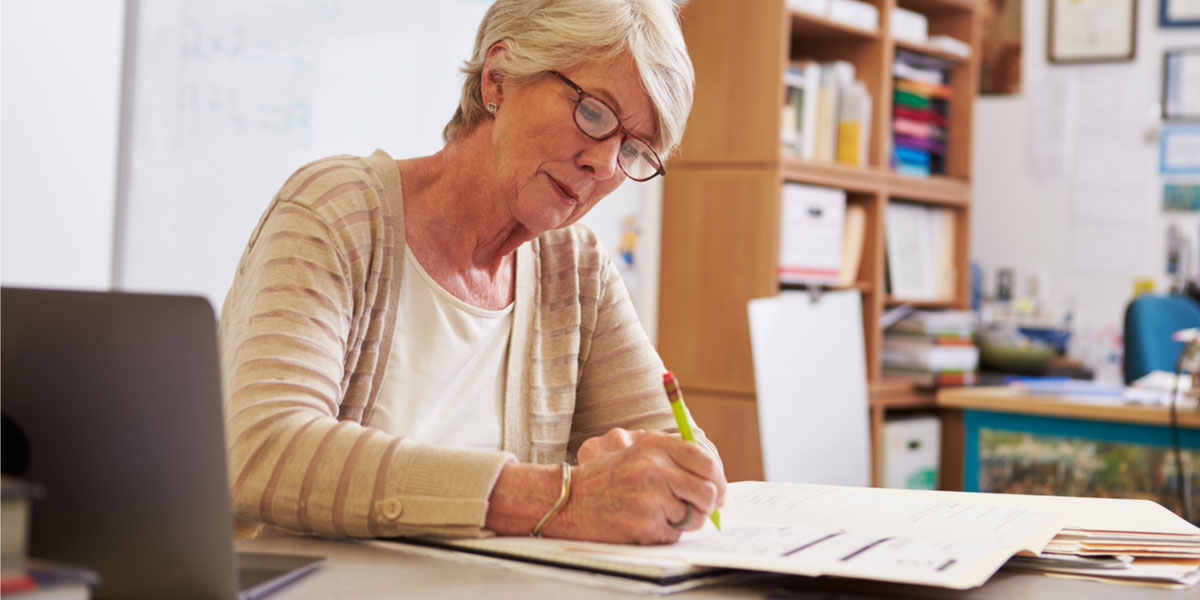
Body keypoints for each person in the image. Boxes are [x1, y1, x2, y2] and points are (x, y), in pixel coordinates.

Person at [219, 0, 725, 545]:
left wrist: (672, 478)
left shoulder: (576, 271)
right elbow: (264, 449)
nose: (603, 166)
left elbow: (684, 464)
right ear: (499, 78)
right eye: (595, 113)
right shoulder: (336, 212)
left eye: (633, 148)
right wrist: (560, 499)